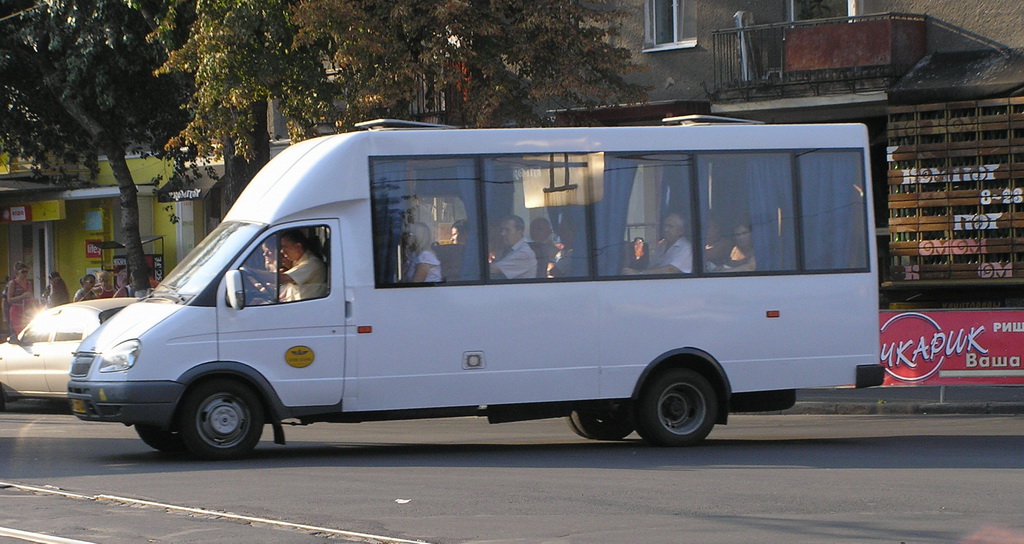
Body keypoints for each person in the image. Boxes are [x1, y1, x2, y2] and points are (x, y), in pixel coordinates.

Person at [624, 212, 692, 275]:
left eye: (671, 227)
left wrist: (639, 273)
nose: (666, 229)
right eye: (665, 226)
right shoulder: (662, 245)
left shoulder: (686, 248)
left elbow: (670, 270)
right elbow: (652, 267)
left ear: (681, 231)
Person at [279, 229, 327, 302]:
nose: (282, 251)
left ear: (298, 246)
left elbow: (282, 279)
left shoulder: (312, 263)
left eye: (285, 247)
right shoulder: (297, 262)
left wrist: (256, 273)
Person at [489, 215, 537, 279]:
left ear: (519, 232)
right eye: (502, 230)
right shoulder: (505, 250)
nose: (503, 233)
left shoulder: (524, 253)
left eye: (507, 230)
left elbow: (493, 269)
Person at [6, 262, 35, 334]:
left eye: (26, 272)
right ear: (17, 272)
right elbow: (9, 299)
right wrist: (22, 296)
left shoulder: (28, 283)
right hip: (16, 308)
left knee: (27, 330)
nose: (25, 274)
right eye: (23, 272)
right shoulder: (13, 283)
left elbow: (30, 296)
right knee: (19, 331)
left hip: (26, 309)